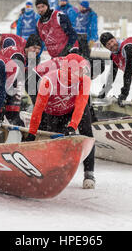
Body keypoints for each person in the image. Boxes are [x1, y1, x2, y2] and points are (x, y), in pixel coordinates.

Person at [24, 53, 96, 189]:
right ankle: (50, 170)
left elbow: (80, 106)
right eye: (80, 70)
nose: (83, 73)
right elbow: (38, 109)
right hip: (52, 111)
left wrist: (72, 126)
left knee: (87, 134)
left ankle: (89, 174)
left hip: (73, 109)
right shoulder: (49, 80)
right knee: (53, 140)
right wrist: (32, 133)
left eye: (83, 70)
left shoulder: (84, 80)